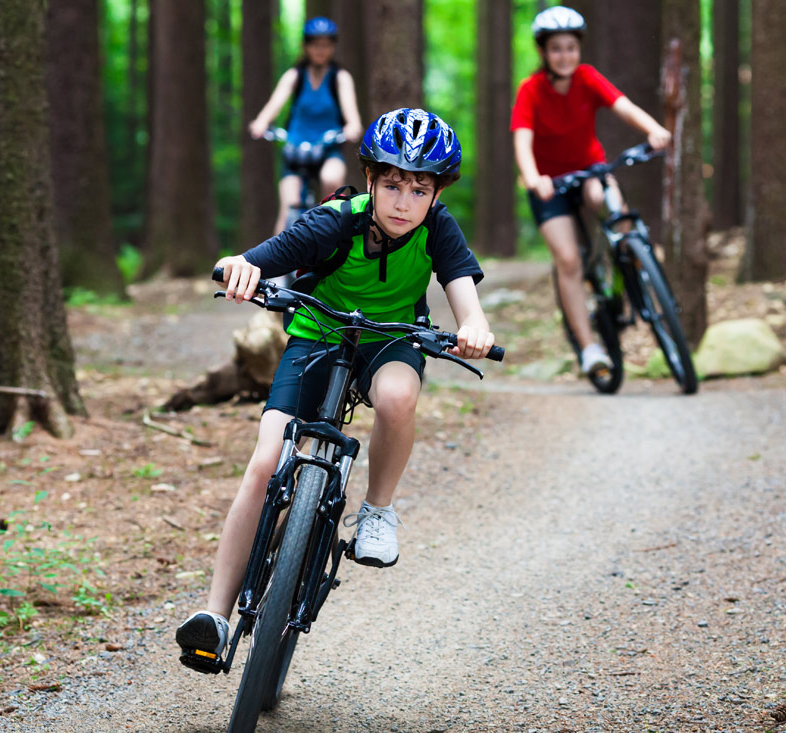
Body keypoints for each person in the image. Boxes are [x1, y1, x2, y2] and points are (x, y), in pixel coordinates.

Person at [177, 109, 494, 662]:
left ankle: (376, 510)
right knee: (266, 458)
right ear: (369, 178)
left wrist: (473, 327)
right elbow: (270, 254)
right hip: (317, 334)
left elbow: (465, 296)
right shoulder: (336, 219)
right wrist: (240, 266)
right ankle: (216, 615)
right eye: (391, 184)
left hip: (390, 339)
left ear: (438, 193)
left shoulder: (439, 229)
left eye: (419, 189)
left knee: (397, 396)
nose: (402, 202)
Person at [510, 6, 671, 376]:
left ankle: (630, 263)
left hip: (589, 171)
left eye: (570, 47)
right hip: (549, 186)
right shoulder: (531, 90)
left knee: (606, 202)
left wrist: (653, 129)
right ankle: (588, 348)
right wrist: (534, 178)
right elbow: (523, 140)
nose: (564, 55)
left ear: (578, 49)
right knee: (568, 260)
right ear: (544, 53)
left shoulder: (587, 78)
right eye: (556, 49)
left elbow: (623, 106)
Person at [249, 16, 365, 235]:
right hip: (295, 151)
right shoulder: (295, 76)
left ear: (333, 47)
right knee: (288, 207)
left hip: (328, 148)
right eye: (315, 44)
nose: (320, 49)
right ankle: (278, 265)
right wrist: (261, 123)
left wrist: (352, 127)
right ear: (306, 46)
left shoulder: (340, 78)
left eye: (326, 44)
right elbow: (275, 103)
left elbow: (353, 118)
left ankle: (333, 240)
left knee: (332, 182)